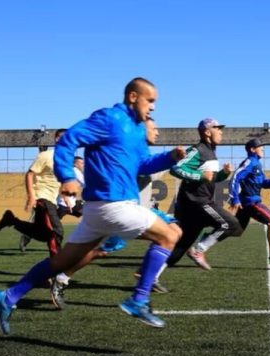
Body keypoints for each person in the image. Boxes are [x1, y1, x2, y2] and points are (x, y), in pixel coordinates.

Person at [0, 77, 184, 332]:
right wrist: (67, 176)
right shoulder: (109, 118)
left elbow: (142, 165)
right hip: (112, 204)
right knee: (170, 235)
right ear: (133, 97)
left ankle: (8, 297)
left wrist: (170, 157)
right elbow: (69, 139)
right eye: (150, 100)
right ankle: (139, 299)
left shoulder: (137, 130)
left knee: (60, 262)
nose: (153, 107)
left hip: (99, 210)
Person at [49, 117, 179, 307]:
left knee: (173, 232)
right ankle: (61, 278)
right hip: (121, 212)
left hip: (138, 212)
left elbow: (152, 166)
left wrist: (173, 159)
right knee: (98, 252)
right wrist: (171, 160)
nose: (157, 132)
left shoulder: (140, 151)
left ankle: (147, 278)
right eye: (154, 128)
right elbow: (144, 168)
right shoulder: (127, 151)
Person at [165, 118, 242, 271]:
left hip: (198, 203)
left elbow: (210, 178)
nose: (221, 131)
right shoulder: (197, 150)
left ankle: (151, 272)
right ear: (207, 132)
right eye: (217, 128)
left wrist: (223, 174)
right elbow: (176, 168)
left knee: (178, 251)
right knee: (231, 224)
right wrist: (200, 176)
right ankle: (199, 251)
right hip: (196, 202)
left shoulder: (211, 152)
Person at [0, 129, 65, 257]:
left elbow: (61, 182)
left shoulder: (66, 159)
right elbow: (30, 174)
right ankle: (56, 267)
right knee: (56, 231)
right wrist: (31, 197)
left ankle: (12, 220)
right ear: (57, 139)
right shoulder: (46, 155)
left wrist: (66, 198)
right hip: (42, 197)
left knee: (43, 234)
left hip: (52, 199)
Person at [229, 139, 270, 262]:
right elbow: (235, 177)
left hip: (247, 203)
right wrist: (235, 198)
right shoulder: (250, 162)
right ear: (252, 149)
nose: (263, 149)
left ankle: (206, 239)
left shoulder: (256, 163)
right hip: (251, 202)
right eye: (260, 147)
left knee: (236, 231)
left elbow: (262, 182)